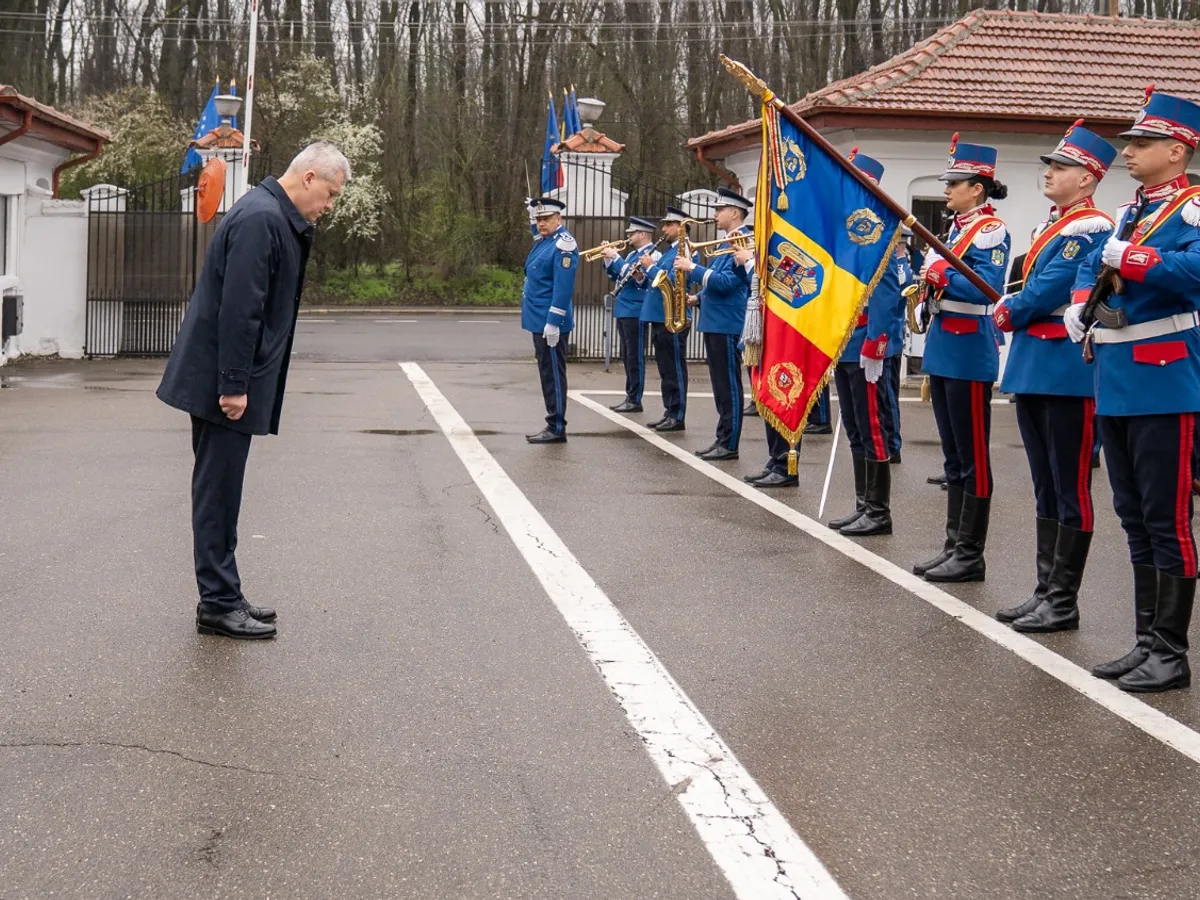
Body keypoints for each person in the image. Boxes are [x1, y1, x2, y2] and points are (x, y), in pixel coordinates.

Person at [156, 141, 349, 640]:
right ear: (308, 178)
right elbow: (240, 311)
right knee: (217, 493)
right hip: (222, 384)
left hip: (224, 379)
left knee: (223, 490)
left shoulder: (269, 215)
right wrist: (234, 385)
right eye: (329, 194)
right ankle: (218, 604)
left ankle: (225, 594)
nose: (328, 206)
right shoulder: (262, 220)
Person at [1067, 87, 1200, 693]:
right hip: (1118, 376)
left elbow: (1194, 273)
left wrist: (1137, 259)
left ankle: (1172, 652)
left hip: (1164, 378)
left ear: (1178, 151)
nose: (1130, 152)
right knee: (1135, 517)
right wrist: (1083, 309)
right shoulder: (1132, 212)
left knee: (1167, 519)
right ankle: (1148, 640)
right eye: (1129, 142)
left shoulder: (1193, 208)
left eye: (1142, 144)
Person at [991, 120, 1116, 633]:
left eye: (1061, 167)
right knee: (1045, 485)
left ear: (1087, 178)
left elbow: (1049, 290)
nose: (1051, 173)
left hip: (1066, 369)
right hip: (1035, 365)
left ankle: (1063, 599)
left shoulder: (1090, 229)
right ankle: (1046, 589)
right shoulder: (1055, 225)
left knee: (1070, 485)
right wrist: (1016, 303)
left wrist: (1009, 308)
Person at [911, 134, 1011, 583]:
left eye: (955, 182)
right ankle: (954, 543)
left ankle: (971, 552)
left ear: (978, 187)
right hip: (945, 344)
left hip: (970, 345)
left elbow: (985, 287)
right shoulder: (957, 229)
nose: (947, 189)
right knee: (953, 458)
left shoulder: (991, 231)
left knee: (973, 456)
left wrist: (938, 271)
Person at [825, 149, 911, 534]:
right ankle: (864, 504)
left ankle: (879, 511)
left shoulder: (877, 232)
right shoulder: (846, 232)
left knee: (873, 428)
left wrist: (876, 342)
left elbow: (886, 293)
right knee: (856, 428)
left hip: (866, 345)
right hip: (846, 343)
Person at [674, 187, 753, 461]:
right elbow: (716, 282)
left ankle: (730, 443)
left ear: (734, 213)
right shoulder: (724, 243)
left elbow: (729, 283)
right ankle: (722, 437)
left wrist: (692, 268)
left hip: (727, 323)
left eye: (720, 210)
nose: (716, 214)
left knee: (729, 385)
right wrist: (698, 297)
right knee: (719, 386)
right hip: (714, 320)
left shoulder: (742, 242)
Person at [521, 196, 578, 444]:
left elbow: (563, 289)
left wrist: (554, 320)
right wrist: (531, 215)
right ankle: (553, 422)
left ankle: (556, 426)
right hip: (539, 320)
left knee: (553, 374)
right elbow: (537, 236)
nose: (541, 223)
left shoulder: (564, 245)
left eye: (546, 219)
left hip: (549, 321)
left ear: (559, 219)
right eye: (538, 219)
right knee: (547, 373)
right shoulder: (546, 241)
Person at [640, 207, 697, 431]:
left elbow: (674, 282)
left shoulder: (685, 250)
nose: (663, 229)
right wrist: (643, 273)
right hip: (661, 316)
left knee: (674, 368)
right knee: (666, 368)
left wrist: (651, 268)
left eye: (668, 225)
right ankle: (669, 410)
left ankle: (677, 414)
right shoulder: (670, 251)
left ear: (680, 227)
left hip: (674, 316)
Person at [602, 216, 659, 413]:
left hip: (637, 309)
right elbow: (616, 277)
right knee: (626, 355)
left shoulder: (653, 254)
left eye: (632, 233)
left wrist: (616, 257)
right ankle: (630, 395)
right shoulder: (631, 255)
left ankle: (635, 398)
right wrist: (609, 259)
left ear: (642, 235)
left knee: (635, 356)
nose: (629, 236)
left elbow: (640, 279)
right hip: (625, 309)